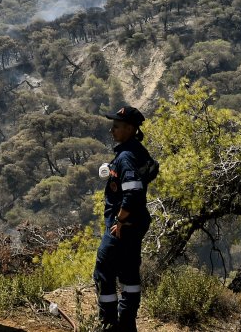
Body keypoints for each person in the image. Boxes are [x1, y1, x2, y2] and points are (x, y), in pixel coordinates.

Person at [94, 106, 158, 332]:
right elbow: (144, 173)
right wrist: (112, 168)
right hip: (135, 225)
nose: (112, 130)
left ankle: (109, 324)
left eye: (117, 126)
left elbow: (133, 192)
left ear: (130, 129)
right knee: (130, 274)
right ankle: (128, 324)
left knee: (103, 271)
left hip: (120, 226)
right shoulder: (136, 152)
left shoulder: (126, 157)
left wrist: (119, 221)